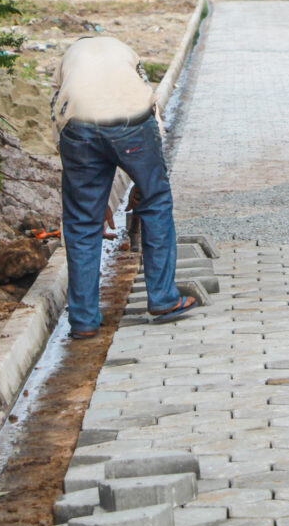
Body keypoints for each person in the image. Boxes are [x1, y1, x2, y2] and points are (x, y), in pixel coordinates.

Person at [51, 36, 196, 339]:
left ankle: (84, 321)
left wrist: (88, 196)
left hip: (78, 127)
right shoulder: (126, 52)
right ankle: (163, 299)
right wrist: (149, 178)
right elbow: (152, 105)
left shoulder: (68, 58)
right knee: (156, 203)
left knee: (81, 223)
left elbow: (57, 113)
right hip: (133, 124)